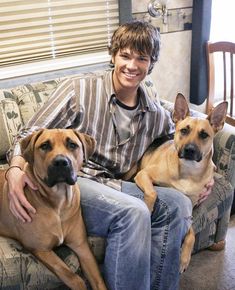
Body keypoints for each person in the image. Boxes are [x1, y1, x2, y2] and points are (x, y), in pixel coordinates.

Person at [5, 20, 232, 290]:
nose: (132, 65)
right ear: (113, 55)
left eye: (142, 58)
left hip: (119, 184)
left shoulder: (154, 113)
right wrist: (16, 169)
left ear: (151, 63)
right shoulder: (78, 91)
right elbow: (28, 132)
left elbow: (187, 135)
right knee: (134, 212)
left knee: (179, 205)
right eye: (125, 55)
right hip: (78, 183)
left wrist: (209, 167)